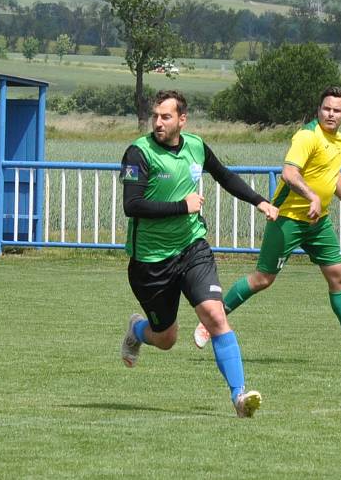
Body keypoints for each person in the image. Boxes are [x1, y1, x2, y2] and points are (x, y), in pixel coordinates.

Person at [192, 87, 341, 363]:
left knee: (338, 276)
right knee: (262, 279)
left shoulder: (339, 140)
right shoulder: (307, 136)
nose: (330, 114)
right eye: (326, 109)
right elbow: (289, 172)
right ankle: (210, 321)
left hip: (318, 222)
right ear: (318, 110)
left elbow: (333, 172)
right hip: (288, 219)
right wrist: (312, 197)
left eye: (336, 110)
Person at [119, 90, 278, 418]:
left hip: (192, 248)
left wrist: (259, 201)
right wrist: (183, 206)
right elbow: (131, 206)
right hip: (151, 262)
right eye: (155, 116)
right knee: (166, 339)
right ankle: (136, 331)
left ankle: (239, 396)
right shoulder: (138, 153)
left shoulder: (195, 145)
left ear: (182, 119)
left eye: (166, 117)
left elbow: (225, 176)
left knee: (216, 316)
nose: (158, 122)